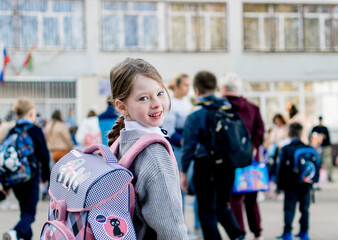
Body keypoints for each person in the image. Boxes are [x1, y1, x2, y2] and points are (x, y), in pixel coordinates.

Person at [107, 58, 188, 239]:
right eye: (144, 98)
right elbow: (172, 230)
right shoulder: (154, 154)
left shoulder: (121, 142)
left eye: (160, 93)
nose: (156, 103)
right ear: (122, 106)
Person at [181, 71, 245, 240]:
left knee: (206, 211)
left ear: (196, 90)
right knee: (223, 206)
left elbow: (188, 147)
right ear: (215, 87)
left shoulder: (195, 114)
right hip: (228, 166)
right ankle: (238, 236)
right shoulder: (227, 109)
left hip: (205, 166)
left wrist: (183, 172)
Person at [220, 73, 265, 240]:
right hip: (251, 159)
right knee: (251, 198)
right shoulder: (252, 108)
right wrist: (253, 147)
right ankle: (257, 233)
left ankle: (240, 234)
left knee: (234, 200)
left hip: (229, 161)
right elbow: (260, 131)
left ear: (224, 89)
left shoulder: (221, 108)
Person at [2, 97, 50, 240]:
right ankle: (15, 233)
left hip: (15, 178)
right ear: (31, 113)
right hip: (31, 177)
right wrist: (45, 176)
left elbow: (6, 155)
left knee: (24, 210)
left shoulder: (12, 131)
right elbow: (44, 155)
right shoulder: (35, 130)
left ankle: (24, 236)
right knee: (30, 212)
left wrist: (5, 182)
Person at [162, 73, 201, 238]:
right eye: (185, 85)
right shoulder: (170, 103)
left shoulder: (188, 102)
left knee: (198, 185)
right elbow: (169, 131)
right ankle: (182, 227)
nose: (187, 88)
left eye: (189, 85)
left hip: (193, 148)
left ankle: (199, 225)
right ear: (176, 85)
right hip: (179, 149)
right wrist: (185, 141)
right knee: (180, 188)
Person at [276, 122, 314, 240]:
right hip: (306, 184)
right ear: (301, 133)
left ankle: (287, 233)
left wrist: (279, 186)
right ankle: (304, 232)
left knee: (289, 208)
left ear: (289, 133)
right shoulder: (308, 148)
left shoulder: (286, 149)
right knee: (305, 209)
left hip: (290, 185)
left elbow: (280, 169)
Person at [311, 116, 333, 182]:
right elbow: (312, 138)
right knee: (317, 161)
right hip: (317, 147)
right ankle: (317, 176)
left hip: (325, 146)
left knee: (328, 161)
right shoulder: (315, 128)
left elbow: (328, 138)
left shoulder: (325, 128)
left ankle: (329, 176)